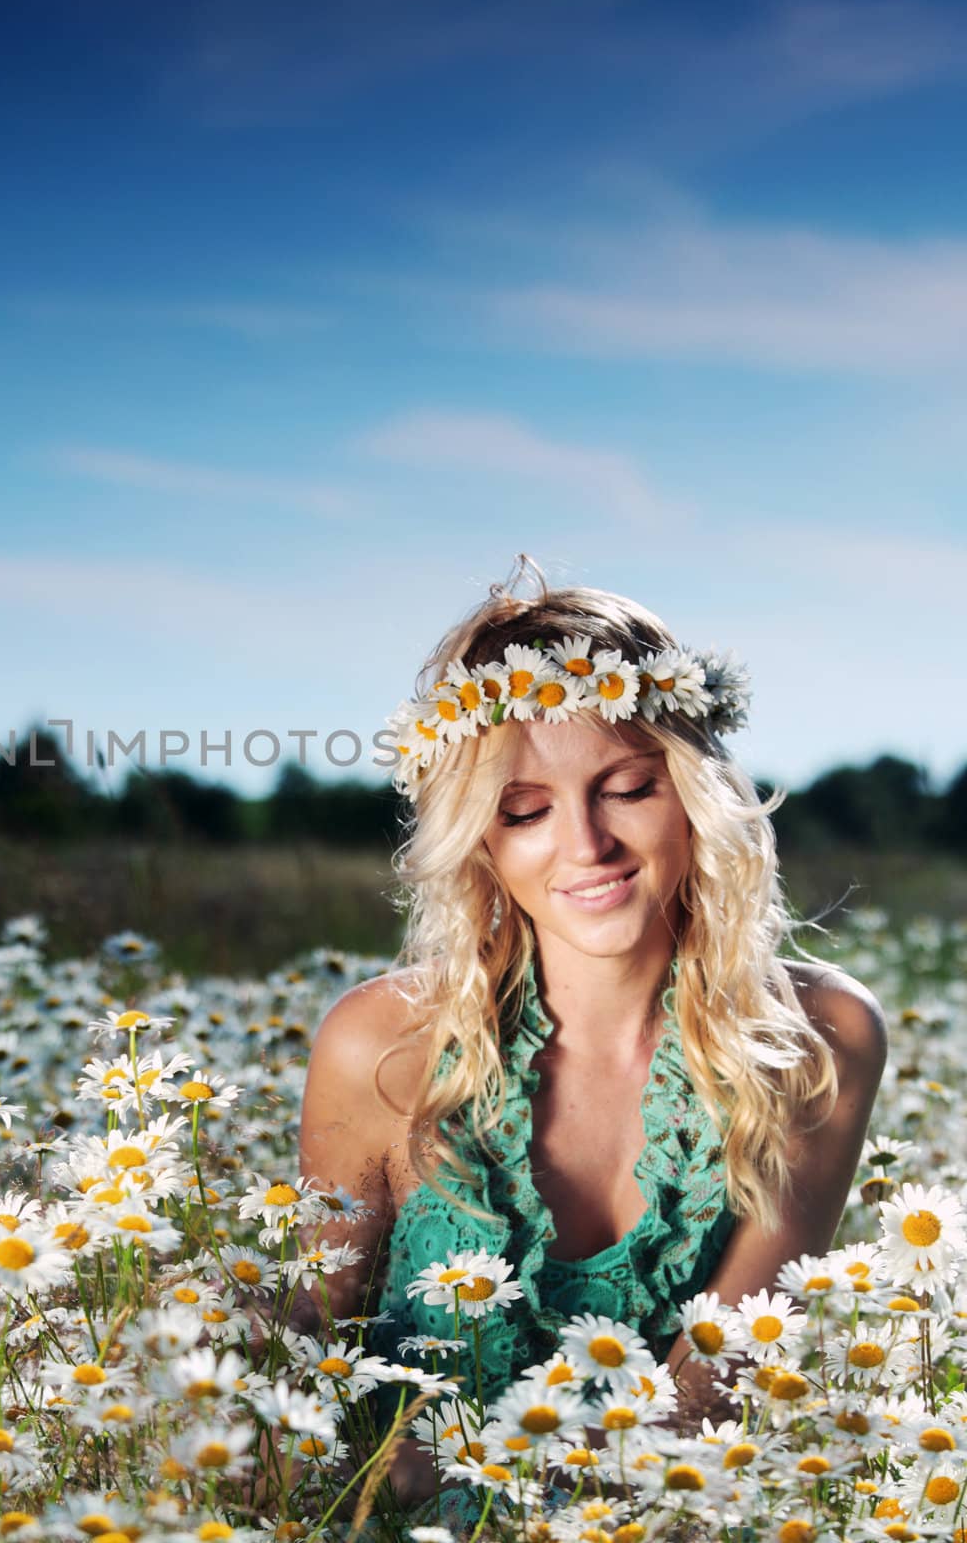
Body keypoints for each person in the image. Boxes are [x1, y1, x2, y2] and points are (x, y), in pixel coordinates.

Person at [287, 565, 887, 1514]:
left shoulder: (815, 1039)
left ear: (694, 794)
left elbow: (721, 1377)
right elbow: (302, 1342)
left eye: (629, 788)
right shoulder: (382, 1046)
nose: (586, 846)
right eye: (525, 810)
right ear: (480, 839)